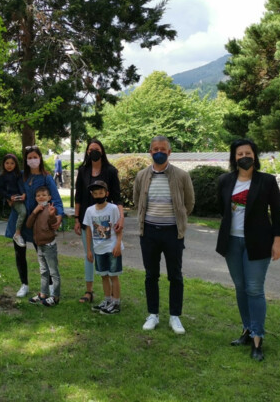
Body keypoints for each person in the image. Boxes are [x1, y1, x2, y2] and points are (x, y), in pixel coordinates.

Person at [216, 139, 280, 361]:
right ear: (233, 157)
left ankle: (257, 337)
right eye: (239, 153)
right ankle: (246, 329)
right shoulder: (225, 181)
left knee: (254, 288)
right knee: (240, 287)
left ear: (254, 156)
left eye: (248, 152)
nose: (243, 156)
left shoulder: (267, 181)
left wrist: (277, 242)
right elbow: (223, 210)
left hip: (259, 242)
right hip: (232, 242)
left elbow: (277, 213)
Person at [133, 135, 194, 334]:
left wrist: (178, 219)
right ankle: (153, 314)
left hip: (173, 233)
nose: (159, 152)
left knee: (175, 275)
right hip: (148, 232)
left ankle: (175, 316)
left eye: (163, 149)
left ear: (169, 152)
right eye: (155, 149)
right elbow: (137, 201)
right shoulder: (142, 175)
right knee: (151, 275)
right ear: (150, 152)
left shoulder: (182, 175)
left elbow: (189, 203)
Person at [4, 145, 64, 298]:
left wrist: (59, 215)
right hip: (18, 221)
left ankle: (50, 285)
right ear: (25, 160)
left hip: (39, 224)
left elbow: (56, 200)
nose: (32, 160)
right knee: (19, 254)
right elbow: (7, 187)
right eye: (29, 158)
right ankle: (24, 284)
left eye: (35, 157)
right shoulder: (21, 175)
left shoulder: (46, 177)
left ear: (40, 159)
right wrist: (8, 198)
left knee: (44, 255)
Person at [74, 139, 124, 304]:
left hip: (107, 219)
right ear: (87, 152)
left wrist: (121, 217)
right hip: (87, 219)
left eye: (96, 148)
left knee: (107, 255)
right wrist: (76, 218)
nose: (93, 151)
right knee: (89, 254)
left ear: (102, 151)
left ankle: (111, 297)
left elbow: (117, 197)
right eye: (90, 149)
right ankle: (89, 291)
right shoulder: (83, 171)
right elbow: (79, 196)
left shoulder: (110, 171)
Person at [83, 180, 124, 315]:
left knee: (113, 276)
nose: (98, 195)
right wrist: (89, 250)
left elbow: (118, 227)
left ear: (106, 193)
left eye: (101, 192)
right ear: (92, 195)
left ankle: (116, 302)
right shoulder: (89, 211)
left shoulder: (113, 208)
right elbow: (88, 230)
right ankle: (107, 300)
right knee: (103, 275)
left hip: (112, 248)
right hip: (98, 248)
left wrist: (118, 244)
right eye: (95, 193)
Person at [25, 186, 60, 306]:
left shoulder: (50, 210)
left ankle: (55, 297)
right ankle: (43, 294)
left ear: (49, 197)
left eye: (44, 195)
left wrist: (51, 215)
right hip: (39, 245)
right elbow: (28, 224)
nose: (41, 197)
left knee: (53, 272)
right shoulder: (36, 210)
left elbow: (53, 223)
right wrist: (34, 212)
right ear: (35, 198)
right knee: (43, 271)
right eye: (38, 195)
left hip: (49, 245)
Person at [0, 154, 27, 247]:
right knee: (23, 212)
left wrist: (23, 193)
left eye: (12, 163)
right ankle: (17, 234)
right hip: (12, 199)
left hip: (20, 197)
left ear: (16, 164)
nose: (9, 165)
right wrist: (9, 197)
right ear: (3, 164)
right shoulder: (1, 175)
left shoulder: (18, 174)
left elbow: (21, 185)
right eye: (7, 163)